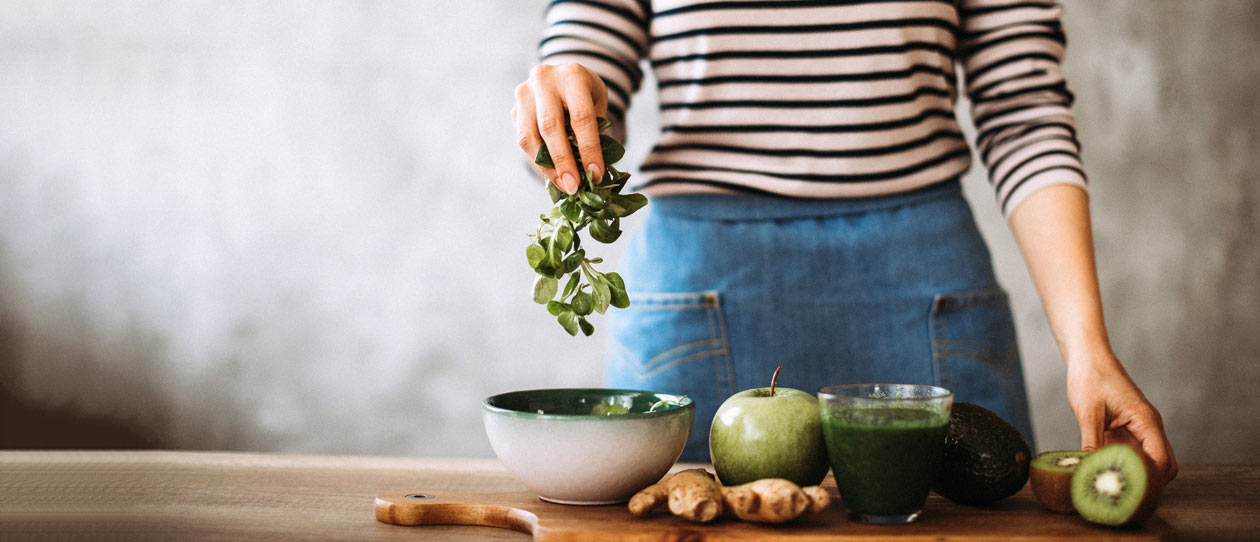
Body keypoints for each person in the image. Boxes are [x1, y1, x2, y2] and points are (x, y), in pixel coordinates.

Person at [510, 0, 1176, 479]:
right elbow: (585, 63)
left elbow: (1025, 111)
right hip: (700, 298)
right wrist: (564, 110)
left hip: (923, 294)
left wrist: (1087, 350)